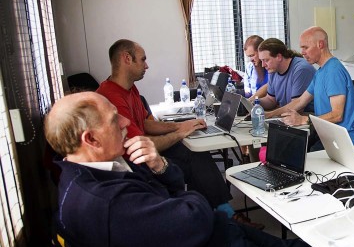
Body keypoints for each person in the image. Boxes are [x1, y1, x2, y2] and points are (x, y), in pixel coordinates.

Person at [44, 92, 354, 247]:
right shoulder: (98, 203)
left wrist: (160, 168)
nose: (124, 124)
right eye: (114, 119)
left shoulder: (107, 167)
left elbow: (179, 195)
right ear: (91, 139)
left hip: (216, 237)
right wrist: (192, 198)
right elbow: (195, 219)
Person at [96, 39, 262, 229]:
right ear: (127, 59)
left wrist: (181, 125)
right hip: (136, 163)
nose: (147, 65)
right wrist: (180, 133)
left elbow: (146, 124)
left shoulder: (129, 88)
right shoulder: (112, 96)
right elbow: (141, 145)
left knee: (194, 153)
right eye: (142, 60)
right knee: (194, 157)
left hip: (143, 151)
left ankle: (216, 213)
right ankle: (225, 216)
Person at [279, 27, 354, 149]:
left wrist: (303, 120)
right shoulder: (321, 71)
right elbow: (300, 101)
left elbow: (337, 115)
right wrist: (271, 115)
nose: (302, 52)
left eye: (306, 47)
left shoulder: (333, 71)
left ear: (320, 44)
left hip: (342, 141)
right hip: (327, 136)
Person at [256, 38, 316, 117]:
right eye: (261, 61)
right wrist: (254, 102)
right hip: (289, 116)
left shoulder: (301, 69)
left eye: (266, 60)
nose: (263, 65)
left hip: (307, 117)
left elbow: (297, 107)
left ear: (279, 57)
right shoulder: (273, 69)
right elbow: (271, 100)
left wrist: (270, 114)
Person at [242, 35, 269, 99]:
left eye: (252, 55)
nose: (251, 59)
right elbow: (247, 89)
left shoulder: (271, 67)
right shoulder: (249, 67)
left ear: (261, 51)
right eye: (249, 56)